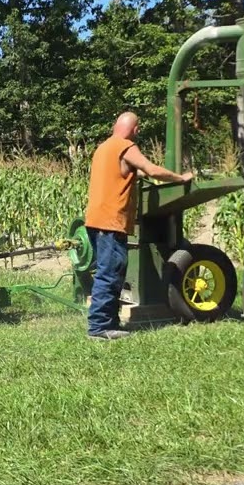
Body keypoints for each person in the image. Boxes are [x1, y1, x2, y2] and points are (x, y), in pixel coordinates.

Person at [83, 111, 193, 341]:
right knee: (109, 273)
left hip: (95, 220)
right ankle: (99, 327)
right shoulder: (126, 146)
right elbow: (151, 169)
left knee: (109, 271)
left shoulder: (103, 148)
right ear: (135, 129)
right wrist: (180, 178)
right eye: (138, 129)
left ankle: (110, 323)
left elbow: (130, 171)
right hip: (111, 222)